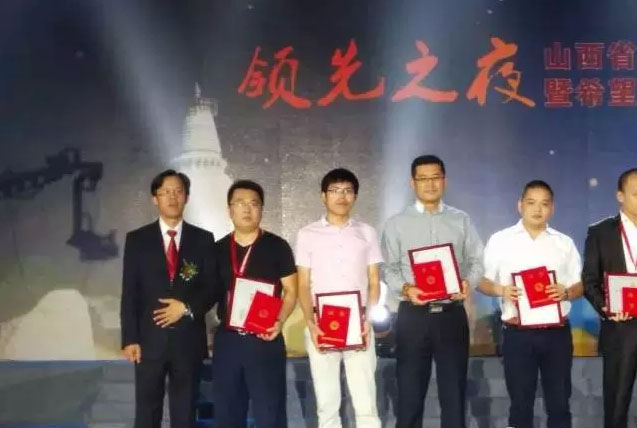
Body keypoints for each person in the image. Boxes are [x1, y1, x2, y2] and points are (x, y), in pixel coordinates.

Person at [381, 155, 483, 428]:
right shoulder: (396, 223)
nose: (430, 184)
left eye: (435, 177)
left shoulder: (461, 220)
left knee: (454, 395)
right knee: (409, 396)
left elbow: (477, 261)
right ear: (412, 183)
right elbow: (388, 268)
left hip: (451, 315)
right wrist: (406, 288)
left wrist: (467, 282)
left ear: (444, 180)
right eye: (423, 179)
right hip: (413, 316)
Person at [477, 180, 583, 428]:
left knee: (559, 404)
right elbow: (481, 281)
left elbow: (581, 284)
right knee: (520, 405)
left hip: (556, 334)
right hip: (518, 334)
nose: (538, 209)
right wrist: (502, 290)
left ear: (552, 208)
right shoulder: (500, 240)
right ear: (520, 205)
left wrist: (566, 292)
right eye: (531, 203)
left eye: (544, 204)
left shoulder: (564, 243)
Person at [120, 169, 218, 428]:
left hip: (188, 341)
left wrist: (185, 308)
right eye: (166, 192)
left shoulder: (203, 239)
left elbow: (212, 287)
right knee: (146, 414)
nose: (172, 197)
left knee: (185, 414)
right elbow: (130, 292)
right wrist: (130, 338)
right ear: (155, 198)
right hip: (149, 342)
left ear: (187, 197)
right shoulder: (137, 240)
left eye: (178, 192)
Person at [296, 168, 383, 428]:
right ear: (323, 196)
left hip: (360, 325)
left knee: (366, 402)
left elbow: (374, 281)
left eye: (347, 191)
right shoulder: (307, 234)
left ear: (355, 196)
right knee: (327, 404)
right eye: (335, 191)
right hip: (322, 324)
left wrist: (368, 320)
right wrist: (311, 323)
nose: (341, 197)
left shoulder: (367, 232)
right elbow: (303, 284)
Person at [212, 179, 297, 428]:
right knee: (227, 414)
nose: (247, 209)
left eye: (253, 203)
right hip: (228, 341)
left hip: (265, 339)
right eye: (239, 203)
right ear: (229, 210)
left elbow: (291, 290)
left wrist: (279, 321)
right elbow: (206, 293)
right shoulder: (216, 249)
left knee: (270, 414)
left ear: (261, 209)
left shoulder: (277, 246)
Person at [583, 168, 637, 428]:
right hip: (620, 328)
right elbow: (589, 281)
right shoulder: (601, 232)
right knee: (616, 408)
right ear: (620, 196)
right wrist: (607, 308)